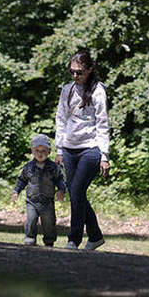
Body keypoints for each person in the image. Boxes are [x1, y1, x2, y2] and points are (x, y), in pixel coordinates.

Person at [55, 49, 110, 251]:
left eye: (80, 72)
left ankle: (74, 239)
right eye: (72, 72)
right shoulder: (67, 90)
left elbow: (103, 124)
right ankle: (95, 236)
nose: (76, 76)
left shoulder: (98, 91)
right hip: (69, 148)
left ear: (90, 70)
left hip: (90, 149)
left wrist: (104, 155)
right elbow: (60, 120)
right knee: (75, 193)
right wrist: (59, 149)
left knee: (77, 190)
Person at [11, 134, 66, 246]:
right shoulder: (28, 167)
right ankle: (30, 238)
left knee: (49, 222)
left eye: (43, 151)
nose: (40, 153)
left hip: (47, 201)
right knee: (31, 220)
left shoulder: (53, 167)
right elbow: (22, 180)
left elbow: (60, 180)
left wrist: (61, 190)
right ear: (32, 151)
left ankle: (49, 240)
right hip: (32, 200)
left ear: (49, 151)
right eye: (37, 150)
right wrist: (16, 191)